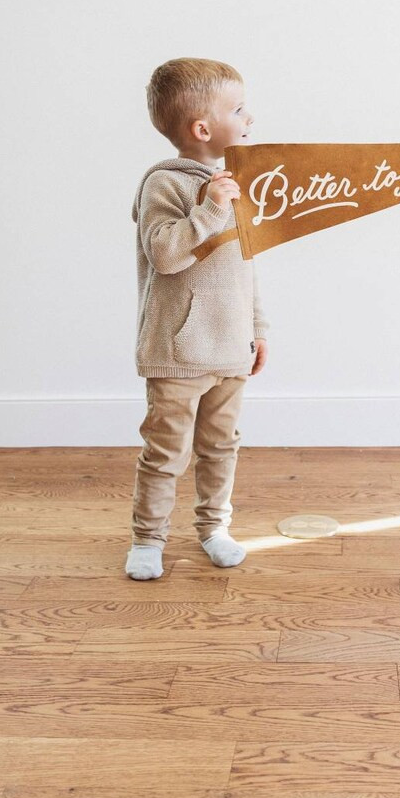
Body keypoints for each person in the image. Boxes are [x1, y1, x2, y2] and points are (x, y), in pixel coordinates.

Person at [125, 58, 269, 581]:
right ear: (203, 129)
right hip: (178, 352)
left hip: (230, 348)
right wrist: (209, 208)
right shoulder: (164, 184)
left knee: (221, 447)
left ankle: (213, 528)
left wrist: (258, 329)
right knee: (166, 452)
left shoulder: (236, 184)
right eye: (238, 108)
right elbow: (166, 255)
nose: (249, 116)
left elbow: (245, 266)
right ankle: (147, 539)